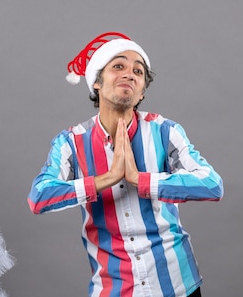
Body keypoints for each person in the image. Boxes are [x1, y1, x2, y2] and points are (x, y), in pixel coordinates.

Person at [28, 32, 224, 297]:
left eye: (138, 71)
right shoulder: (71, 142)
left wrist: (140, 179)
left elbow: (212, 185)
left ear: (142, 91)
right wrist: (106, 178)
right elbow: (39, 198)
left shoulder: (165, 131)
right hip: (114, 288)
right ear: (96, 82)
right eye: (118, 66)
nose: (130, 74)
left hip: (178, 286)